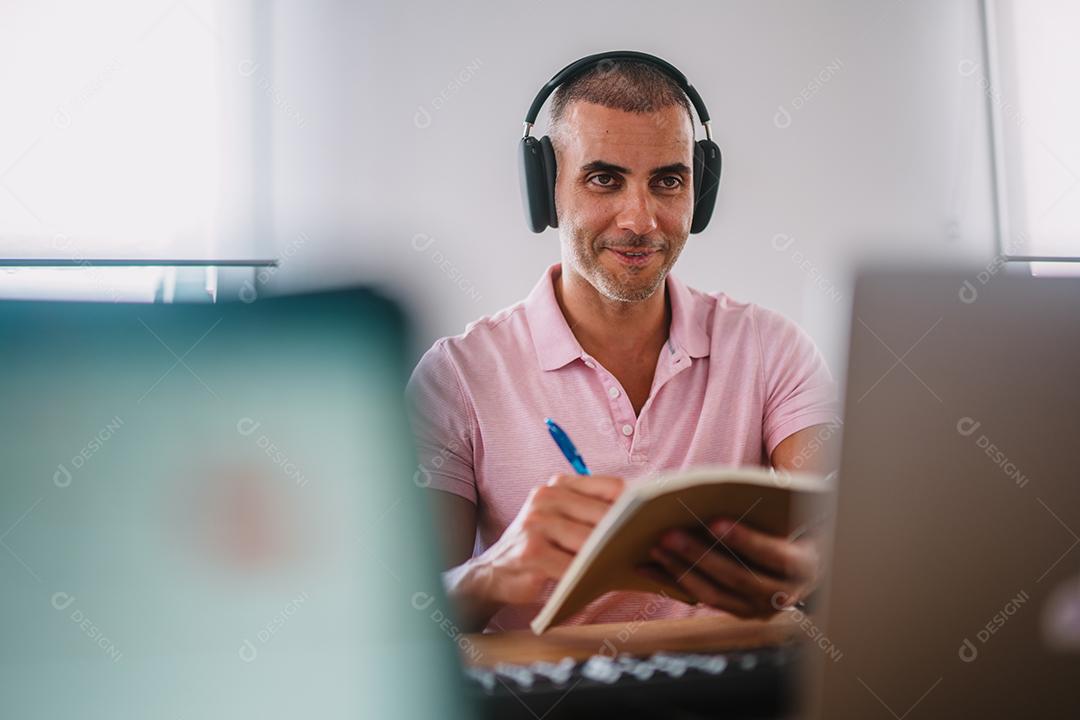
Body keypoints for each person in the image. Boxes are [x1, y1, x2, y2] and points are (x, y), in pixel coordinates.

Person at [407, 56, 840, 633]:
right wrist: (491, 572)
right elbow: (404, 616)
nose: (641, 220)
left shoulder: (772, 348)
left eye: (668, 181)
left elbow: (846, 524)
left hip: (729, 690)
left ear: (699, 191)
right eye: (604, 179)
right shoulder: (455, 376)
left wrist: (818, 567)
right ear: (546, 188)